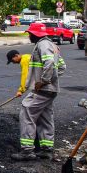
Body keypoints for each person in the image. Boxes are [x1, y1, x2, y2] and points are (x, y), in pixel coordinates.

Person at [11, 22, 66, 161]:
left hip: (43, 89)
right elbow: (62, 67)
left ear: (35, 34)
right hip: (49, 89)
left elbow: (50, 64)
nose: (29, 36)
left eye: (30, 34)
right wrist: (51, 79)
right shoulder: (52, 46)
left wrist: (44, 81)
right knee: (45, 117)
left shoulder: (43, 45)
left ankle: (27, 151)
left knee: (27, 110)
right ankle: (47, 149)